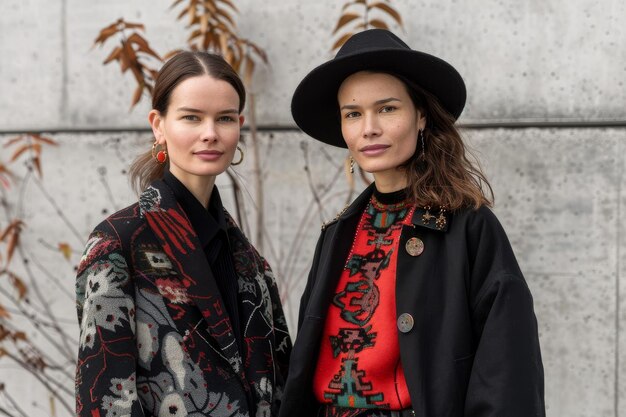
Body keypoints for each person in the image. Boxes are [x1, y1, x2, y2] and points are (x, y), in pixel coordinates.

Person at [280, 29, 545, 417]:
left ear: (420, 116)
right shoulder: (338, 233)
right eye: (353, 114)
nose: (368, 127)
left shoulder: (469, 227)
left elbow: (507, 369)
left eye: (387, 108)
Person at [75, 51, 291, 417]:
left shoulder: (252, 263)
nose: (210, 134)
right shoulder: (118, 244)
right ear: (158, 125)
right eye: (192, 117)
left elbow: (281, 385)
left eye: (224, 118)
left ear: (239, 125)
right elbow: (104, 401)